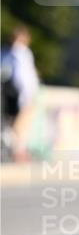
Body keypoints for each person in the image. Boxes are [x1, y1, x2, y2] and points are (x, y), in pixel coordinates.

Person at [0, 26, 40, 161]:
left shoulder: (4, 52)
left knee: (13, 123)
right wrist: (29, 94)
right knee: (20, 124)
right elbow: (23, 77)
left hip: (8, 94)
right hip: (21, 93)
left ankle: (13, 148)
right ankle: (17, 150)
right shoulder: (21, 53)